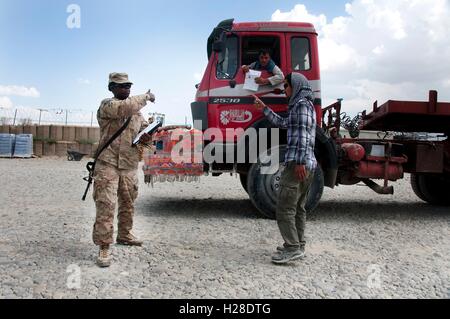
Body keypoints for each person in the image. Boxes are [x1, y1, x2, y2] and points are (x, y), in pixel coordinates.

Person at [253, 72, 317, 265]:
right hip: (307, 164)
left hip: (298, 165)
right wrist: (264, 109)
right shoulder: (303, 105)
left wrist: (299, 162)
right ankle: (298, 244)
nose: (284, 90)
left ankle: (292, 248)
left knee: (285, 208)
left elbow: (302, 136)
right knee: (298, 208)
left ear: (296, 86)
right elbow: (283, 123)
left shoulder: (301, 106)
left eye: (286, 86)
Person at [93, 72, 156, 268]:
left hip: (128, 164)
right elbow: (124, 108)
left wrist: (148, 135)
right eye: (121, 86)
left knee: (128, 202)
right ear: (111, 88)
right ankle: (104, 245)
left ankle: (124, 234)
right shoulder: (108, 105)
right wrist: (146, 96)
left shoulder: (137, 114)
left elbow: (145, 133)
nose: (126, 88)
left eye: (128, 85)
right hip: (108, 163)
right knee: (106, 205)